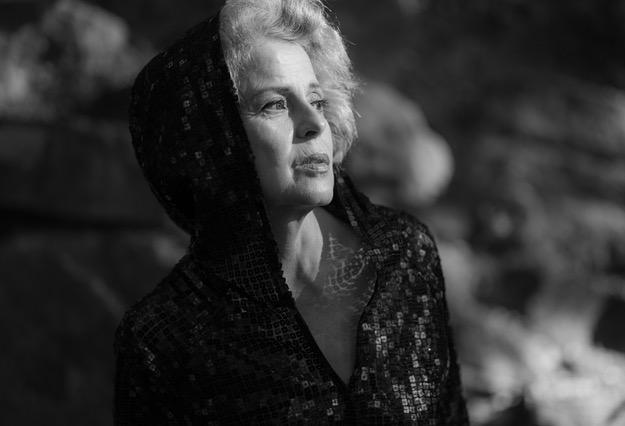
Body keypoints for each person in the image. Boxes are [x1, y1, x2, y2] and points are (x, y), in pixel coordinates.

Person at [114, 0, 468, 423]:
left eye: (316, 100)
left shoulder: (405, 254)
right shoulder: (163, 338)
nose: (314, 123)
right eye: (274, 105)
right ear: (213, 138)